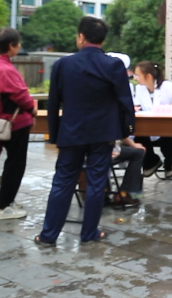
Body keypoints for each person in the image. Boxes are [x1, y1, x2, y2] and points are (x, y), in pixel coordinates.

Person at [36, 17, 135, 246]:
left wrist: (54, 134)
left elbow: (53, 103)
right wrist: (125, 131)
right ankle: (89, 233)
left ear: (81, 37)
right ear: (103, 39)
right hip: (103, 133)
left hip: (71, 132)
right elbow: (125, 102)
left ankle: (48, 235)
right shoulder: (113, 65)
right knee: (96, 183)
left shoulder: (63, 64)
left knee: (63, 182)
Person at [0, 27, 37, 220]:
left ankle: (6, 201)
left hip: (2, 119)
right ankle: (3, 206)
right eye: (18, 43)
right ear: (11, 46)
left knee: (12, 163)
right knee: (16, 164)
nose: (20, 45)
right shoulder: (5, 68)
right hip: (14, 122)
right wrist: (32, 108)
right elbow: (21, 95)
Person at [133, 61, 172, 178]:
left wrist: (170, 108)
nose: (135, 78)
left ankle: (169, 162)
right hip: (150, 128)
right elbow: (138, 105)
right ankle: (151, 161)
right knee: (139, 136)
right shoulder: (140, 89)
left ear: (148, 76)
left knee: (167, 136)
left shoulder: (166, 86)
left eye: (138, 75)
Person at [110, 135, 146, 208]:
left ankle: (105, 191)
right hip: (106, 151)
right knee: (139, 153)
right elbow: (121, 133)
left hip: (88, 153)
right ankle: (124, 194)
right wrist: (133, 144)